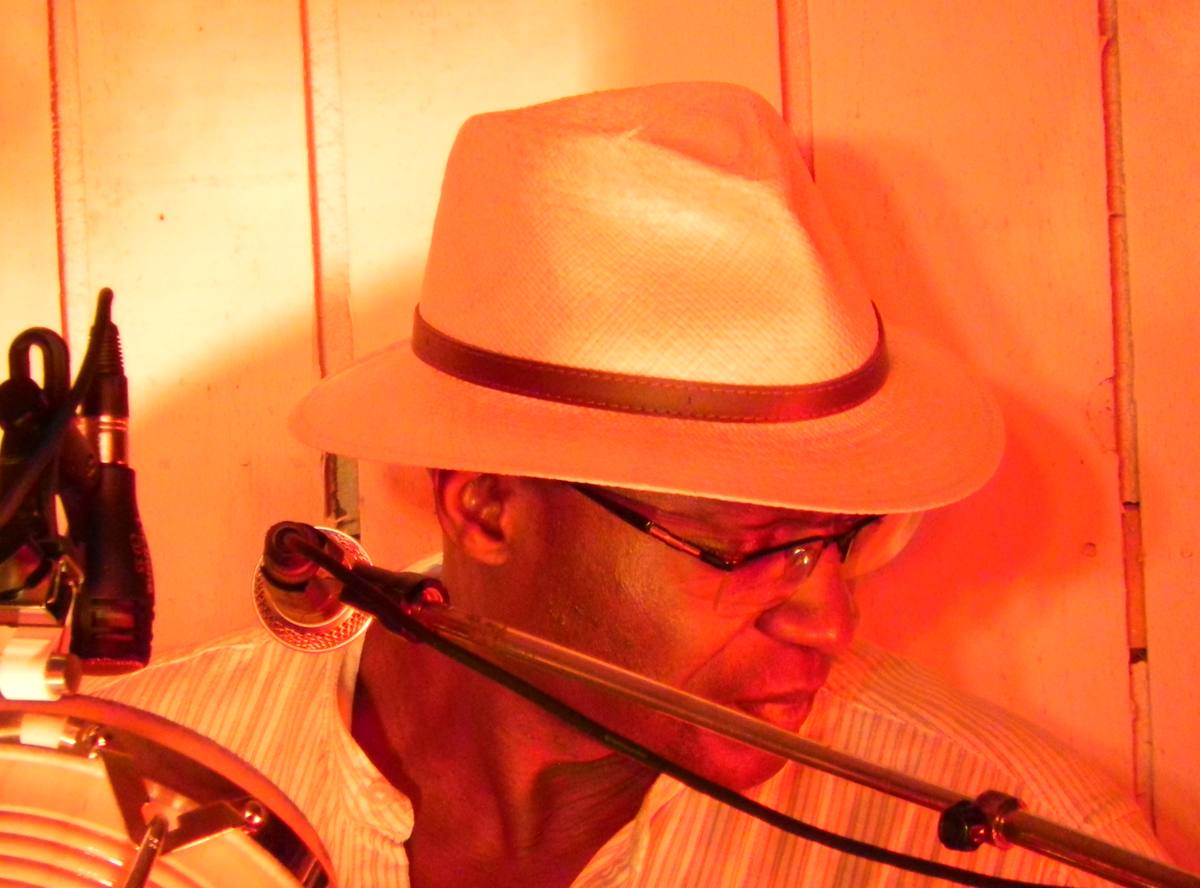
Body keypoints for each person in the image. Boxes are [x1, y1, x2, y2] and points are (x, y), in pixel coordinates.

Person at [91, 82, 1166, 886]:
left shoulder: (1023, 849)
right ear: (488, 505)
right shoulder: (111, 786)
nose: (831, 620)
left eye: (843, 537)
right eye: (749, 545)